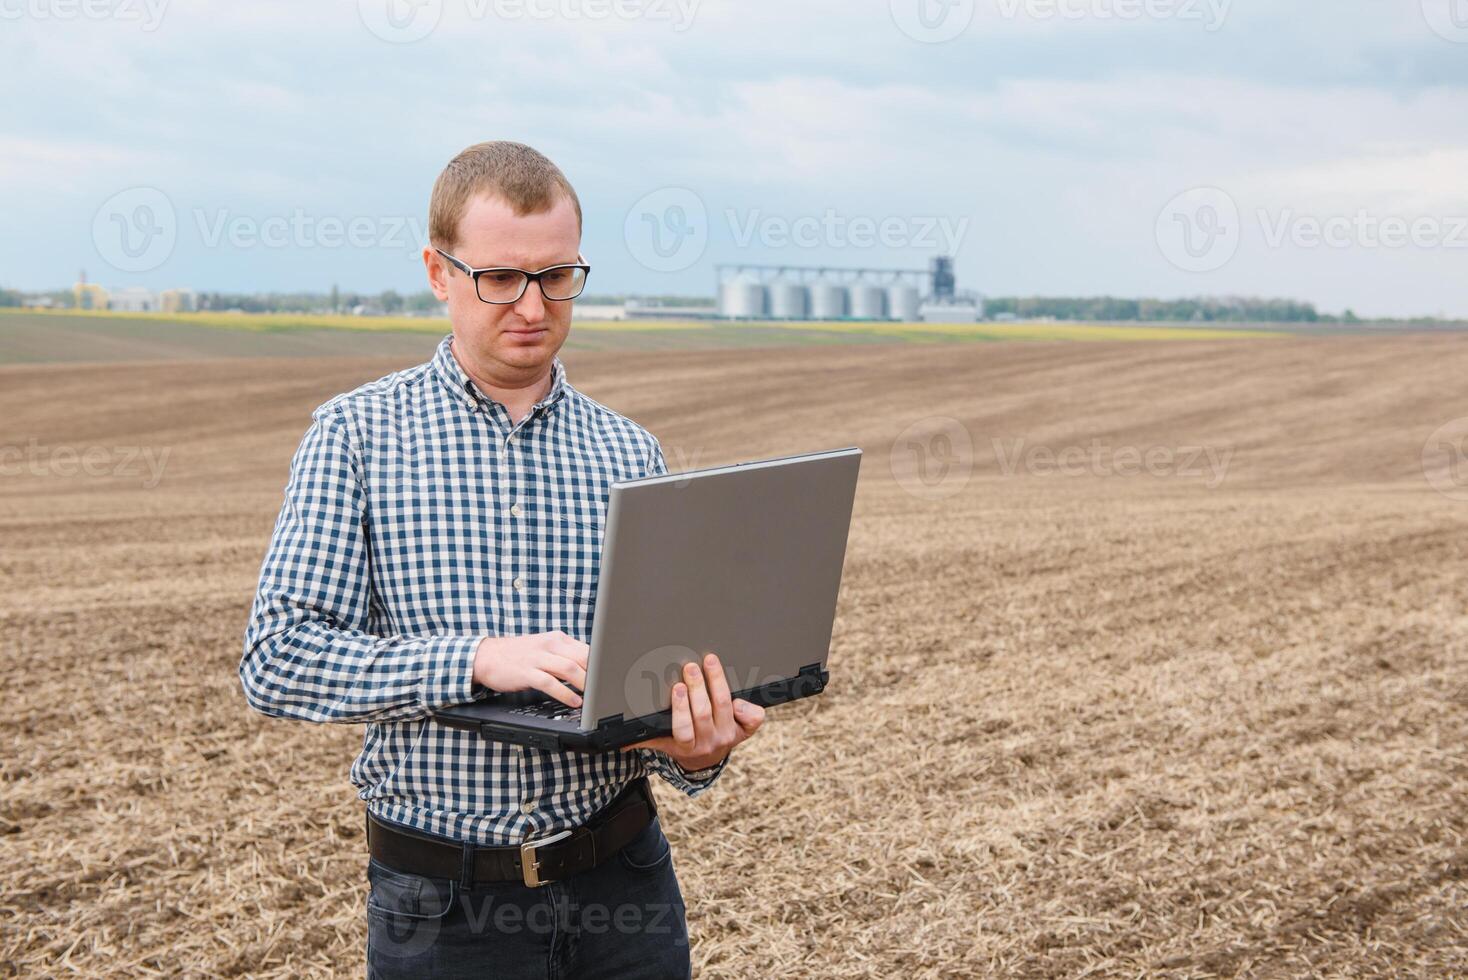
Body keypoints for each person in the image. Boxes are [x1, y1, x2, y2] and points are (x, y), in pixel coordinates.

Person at [240, 140, 765, 979]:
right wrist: (479, 658)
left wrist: (696, 747)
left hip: (624, 887)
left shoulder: (630, 451)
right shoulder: (356, 437)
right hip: (443, 909)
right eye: (500, 277)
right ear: (438, 272)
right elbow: (278, 660)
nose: (532, 304)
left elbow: (653, 679)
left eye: (557, 276)